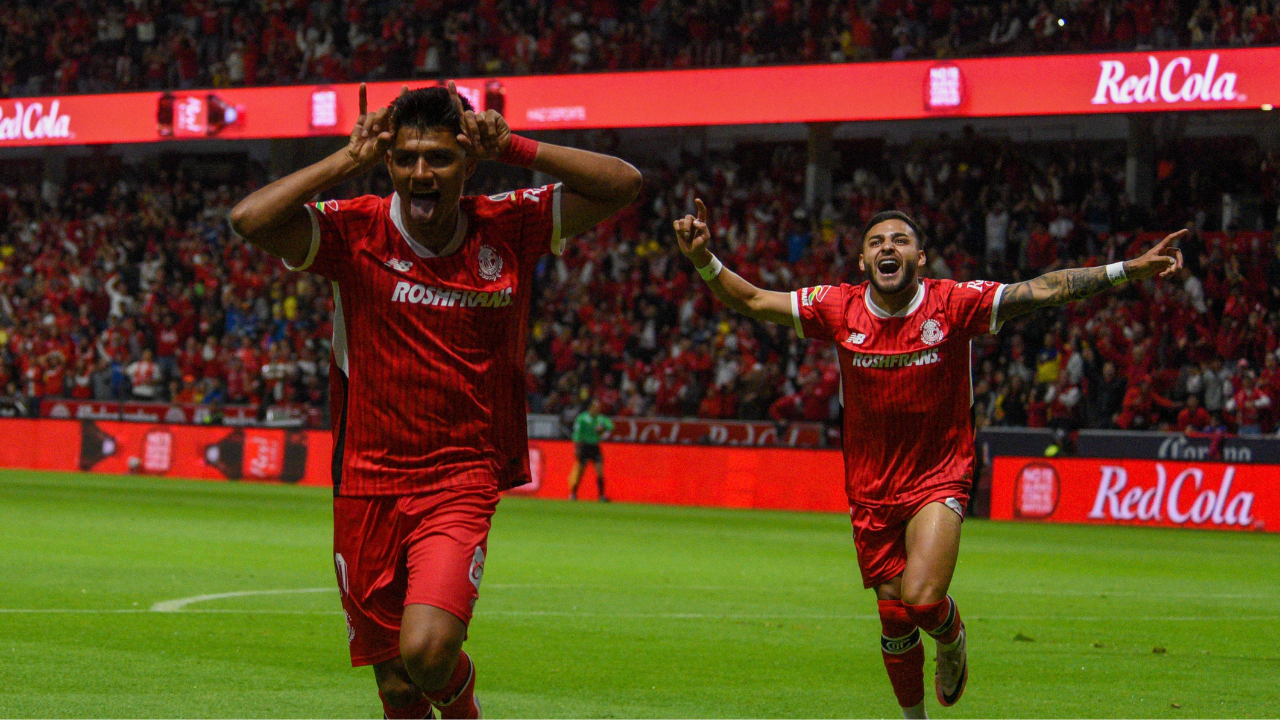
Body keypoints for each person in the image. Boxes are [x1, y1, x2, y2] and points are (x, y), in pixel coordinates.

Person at [673, 200, 1183, 718]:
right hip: (870, 484)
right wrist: (703, 260)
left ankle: (952, 635)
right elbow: (756, 299)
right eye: (876, 242)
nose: (887, 247)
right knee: (894, 617)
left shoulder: (954, 304)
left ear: (922, 257)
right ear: (863, 262)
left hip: (941, 472)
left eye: (899, 240)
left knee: (920, 600)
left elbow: (1045, 289)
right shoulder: (836, 307)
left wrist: (1129, 269)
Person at [229, 82, 640, 719]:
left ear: (469, 164)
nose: (422, 172)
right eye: (406, 158)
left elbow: (622, 184)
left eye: (440, 158)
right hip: (365, 483)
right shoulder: (353, 231)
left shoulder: (510, 224)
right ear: (388, 163)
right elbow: (249, 220)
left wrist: (519, 146)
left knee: (427, 652)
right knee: (396, 685)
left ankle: (464, 704)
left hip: (459, 477)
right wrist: (347, 160)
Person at [567, 398, 613, 501]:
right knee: (580, 471)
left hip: (595, 446)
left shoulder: (600, 418)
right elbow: (577, 434)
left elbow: (611, 425)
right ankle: (573, 494)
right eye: (596, 407)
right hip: (584, 447)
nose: (597, 409)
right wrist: (577, 448)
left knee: (600, 471)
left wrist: (603, 428)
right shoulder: (582, 418)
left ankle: (601, 496)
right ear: (590, 408)